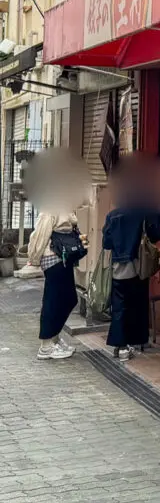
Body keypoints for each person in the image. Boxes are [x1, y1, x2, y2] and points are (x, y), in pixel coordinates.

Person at [22, 148, 90, 361]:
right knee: (55, 299)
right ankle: (46, 345)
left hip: (63, 258)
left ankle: (54, 338)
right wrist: (33, 259)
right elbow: (40, 233)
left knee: (67, 298)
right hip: (53, 258)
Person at [103, 155, 160, 361]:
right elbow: (155, 235)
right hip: (139, 266)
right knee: (137, 304)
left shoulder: (112, 216)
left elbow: (106, 243)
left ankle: (120, 346)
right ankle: (136, 341)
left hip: (119, 267)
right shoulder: (144, 213)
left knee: (120, 306)